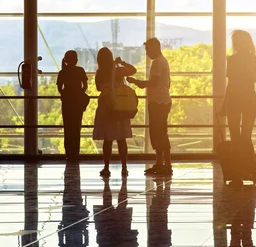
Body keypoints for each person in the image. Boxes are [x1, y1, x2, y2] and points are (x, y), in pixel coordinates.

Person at [224, 30, 256, 184]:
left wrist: (224, 104)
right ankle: (251, 172)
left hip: (235, 100)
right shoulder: (254, 59)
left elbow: (231, 84)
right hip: (247, 100)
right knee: (245, 137)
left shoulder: (231, 60)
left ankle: (237, 174)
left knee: (236, 138)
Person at [128, 38, 172, 176]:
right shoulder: (163, 61)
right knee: (161, 133)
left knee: (158, 133)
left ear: (154, 48)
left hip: (158, 102)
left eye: (147, 50)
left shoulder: (157, 63)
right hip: (163, 100)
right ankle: (162, 163)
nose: (146, 53)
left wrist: (137, 82)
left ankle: (164, 164)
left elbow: (154, 83)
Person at [93, 47, 137, 178]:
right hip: (119, 105)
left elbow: (98, 87)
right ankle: (124, 167)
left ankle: (106, 167)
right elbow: (133, 70)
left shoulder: (100, 72)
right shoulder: (118, 70)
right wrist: (121, 62)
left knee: (108, 139)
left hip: (106, 106)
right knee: (121, 138)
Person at [56, 50, 88, 161]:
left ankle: (69, 153)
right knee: (76, 128)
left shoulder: (62, 72)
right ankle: (75, 153)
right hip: (77, 103)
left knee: (68, 128)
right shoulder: (80, 70)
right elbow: (85, 85)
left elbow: (60, 87)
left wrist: (64, 94)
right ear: (76, 60)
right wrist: (80, 93)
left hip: (67, 103)